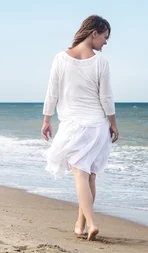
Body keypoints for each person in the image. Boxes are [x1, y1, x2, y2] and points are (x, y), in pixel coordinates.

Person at [41, 14, 118, 241]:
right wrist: (113, 124)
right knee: (89, 176)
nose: (105, 42)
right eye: (104, 37)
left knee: (81, 176)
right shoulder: (100, 63)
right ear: (94, 32)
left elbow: (52, 92)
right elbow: (107, 98)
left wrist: (46, 120)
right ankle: (80, 226)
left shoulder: (60, 58)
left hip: (74, 126)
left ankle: (92, 223)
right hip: (96, 127)